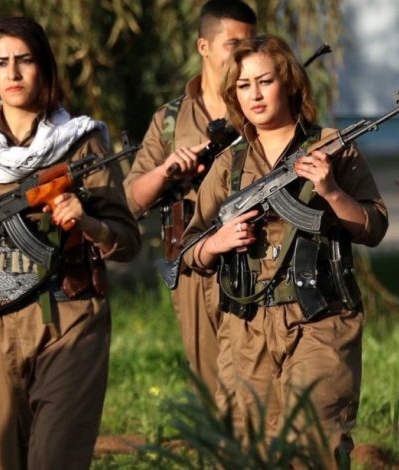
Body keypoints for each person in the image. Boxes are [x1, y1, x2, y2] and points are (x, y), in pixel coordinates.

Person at [182, 35, 387, 466]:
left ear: (289, 83)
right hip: (246, 328)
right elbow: (189, 251)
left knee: (315, 446)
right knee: (246, 449)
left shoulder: (332, 148)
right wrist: (217, 242)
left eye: (265, 81)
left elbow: (373, 227)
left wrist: (331, 191)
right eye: (244, 85)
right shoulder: (229, 165)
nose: (254, 95)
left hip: (320, 317)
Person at [0, 16, 140, 469]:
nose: (13, 73)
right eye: (1, 62)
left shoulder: (81, 143)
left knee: (55, 458)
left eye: (25, 60)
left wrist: (87, 222)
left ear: (45, 67)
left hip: (68, 316)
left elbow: (128, 242)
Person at [123, 0, 256, 400]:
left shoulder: (261, 105)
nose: (243, 55)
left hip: (256, 257)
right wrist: (167, 171)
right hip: (193, 266)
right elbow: (130, 200)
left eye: (250, 45)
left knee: (258, 381)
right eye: (233, 45)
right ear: (203, 47)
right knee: (211, 386)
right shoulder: (171, 120)